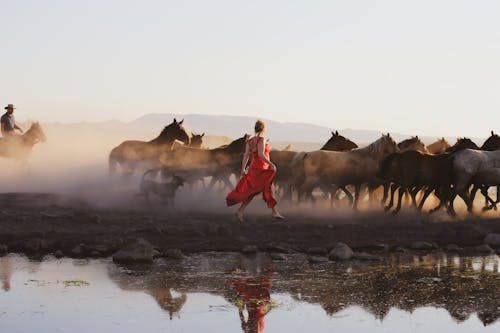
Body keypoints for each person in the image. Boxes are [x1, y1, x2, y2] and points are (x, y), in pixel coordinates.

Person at [226, 119, 284, 222]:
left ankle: (241, 212)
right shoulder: (261, 139)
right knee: (266, 188)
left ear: (255, 129)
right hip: (262, 168)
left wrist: (243, 168)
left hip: (254, 168)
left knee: (256, 191)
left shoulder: (250, 141)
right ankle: (275, 213)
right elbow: (261, 155)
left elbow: (246, 156)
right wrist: (272, 164)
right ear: (264, 129)